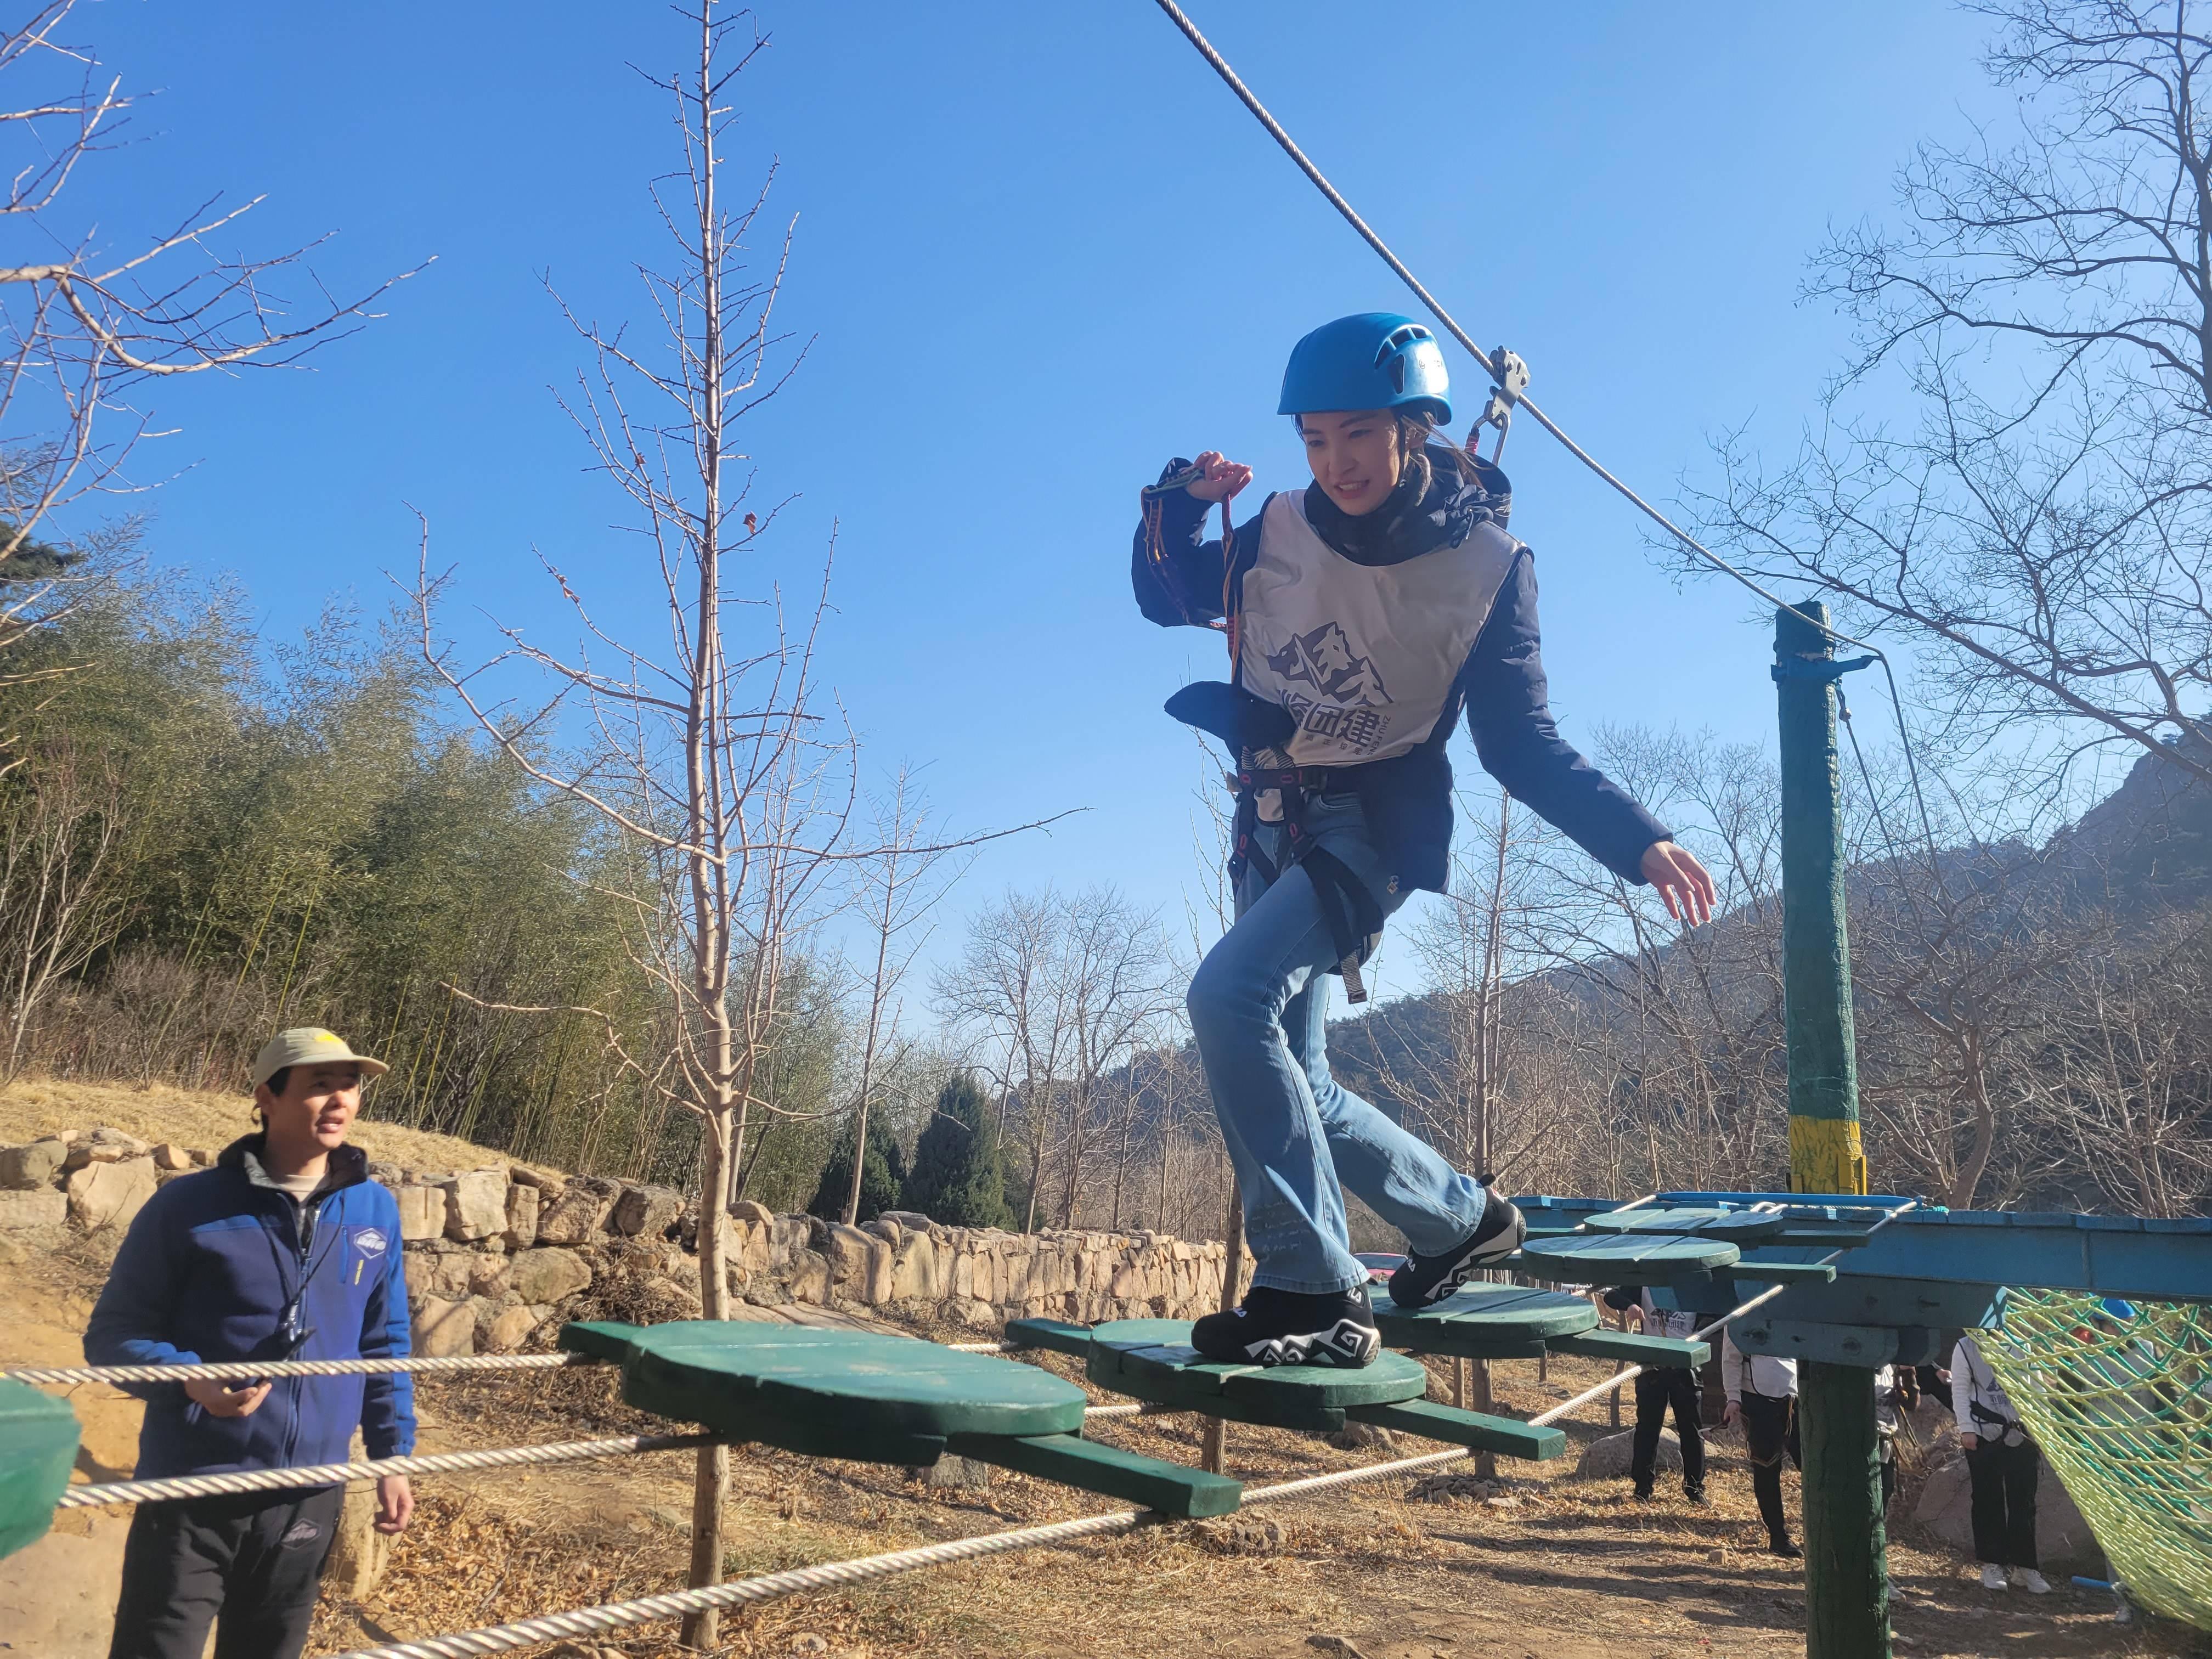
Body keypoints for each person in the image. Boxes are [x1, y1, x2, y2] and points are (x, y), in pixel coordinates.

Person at [1133, 312, 1717, 1367]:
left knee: (1225, 998)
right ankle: (1461, 1220)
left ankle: (1311, 1284)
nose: (1334, 463)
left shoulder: (1487, 567)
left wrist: (1639, 840)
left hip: (1372, 824)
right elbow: (1164, 593)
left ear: (1414, 427)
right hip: (1270, 813)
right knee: (1296, 1069)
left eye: (1357, 434)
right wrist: (1180, 502)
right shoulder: (1273, 525)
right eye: (1313, 439)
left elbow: (1522, 745)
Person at [85, 1028, 418, 1659]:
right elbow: (113, 1336)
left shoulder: (375, 1211)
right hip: (192, 1488)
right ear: (267, 1096)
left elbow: (385, 1343)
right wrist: (189, 1378)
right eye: (320, 1085)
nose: (340, 1100)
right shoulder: (188, 1207)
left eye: (350, 1085)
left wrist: (392, 1454)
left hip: (311, 1492)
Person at [1952, 1334, 2049, 1593]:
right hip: (1985, 1432)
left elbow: (2036, 1387)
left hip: (2021, 1431)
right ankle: (1993, 1563)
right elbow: (1960, 1389)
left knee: (2024, 1501)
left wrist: (2044, 1425)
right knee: (1987, 1499)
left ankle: (2025, 1566)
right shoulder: (1966, 1347)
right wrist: (1966, 1429)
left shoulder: (2022, 1343)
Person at [1604, 1287, 1706, 1503]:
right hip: (1652, 1365)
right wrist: (1630, 1305)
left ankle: (1695, 1489)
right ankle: (1642, 1488)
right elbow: (1610, 1296)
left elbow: (1716, 1312)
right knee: (1648, 1429)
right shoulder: (1646, 1285)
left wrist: (1701, 1332)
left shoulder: (1693, 1287)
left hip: (1685, 1366)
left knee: (1691, 1430)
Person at [1722, 1329, 1802, 1559]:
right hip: (1759, 1400)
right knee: (1767, 1468)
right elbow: (1731, 1357)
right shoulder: (1742, 1313)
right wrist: (1733, 1397)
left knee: (1811, 1466)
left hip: (1795, 1398)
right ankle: (1778, 1536)